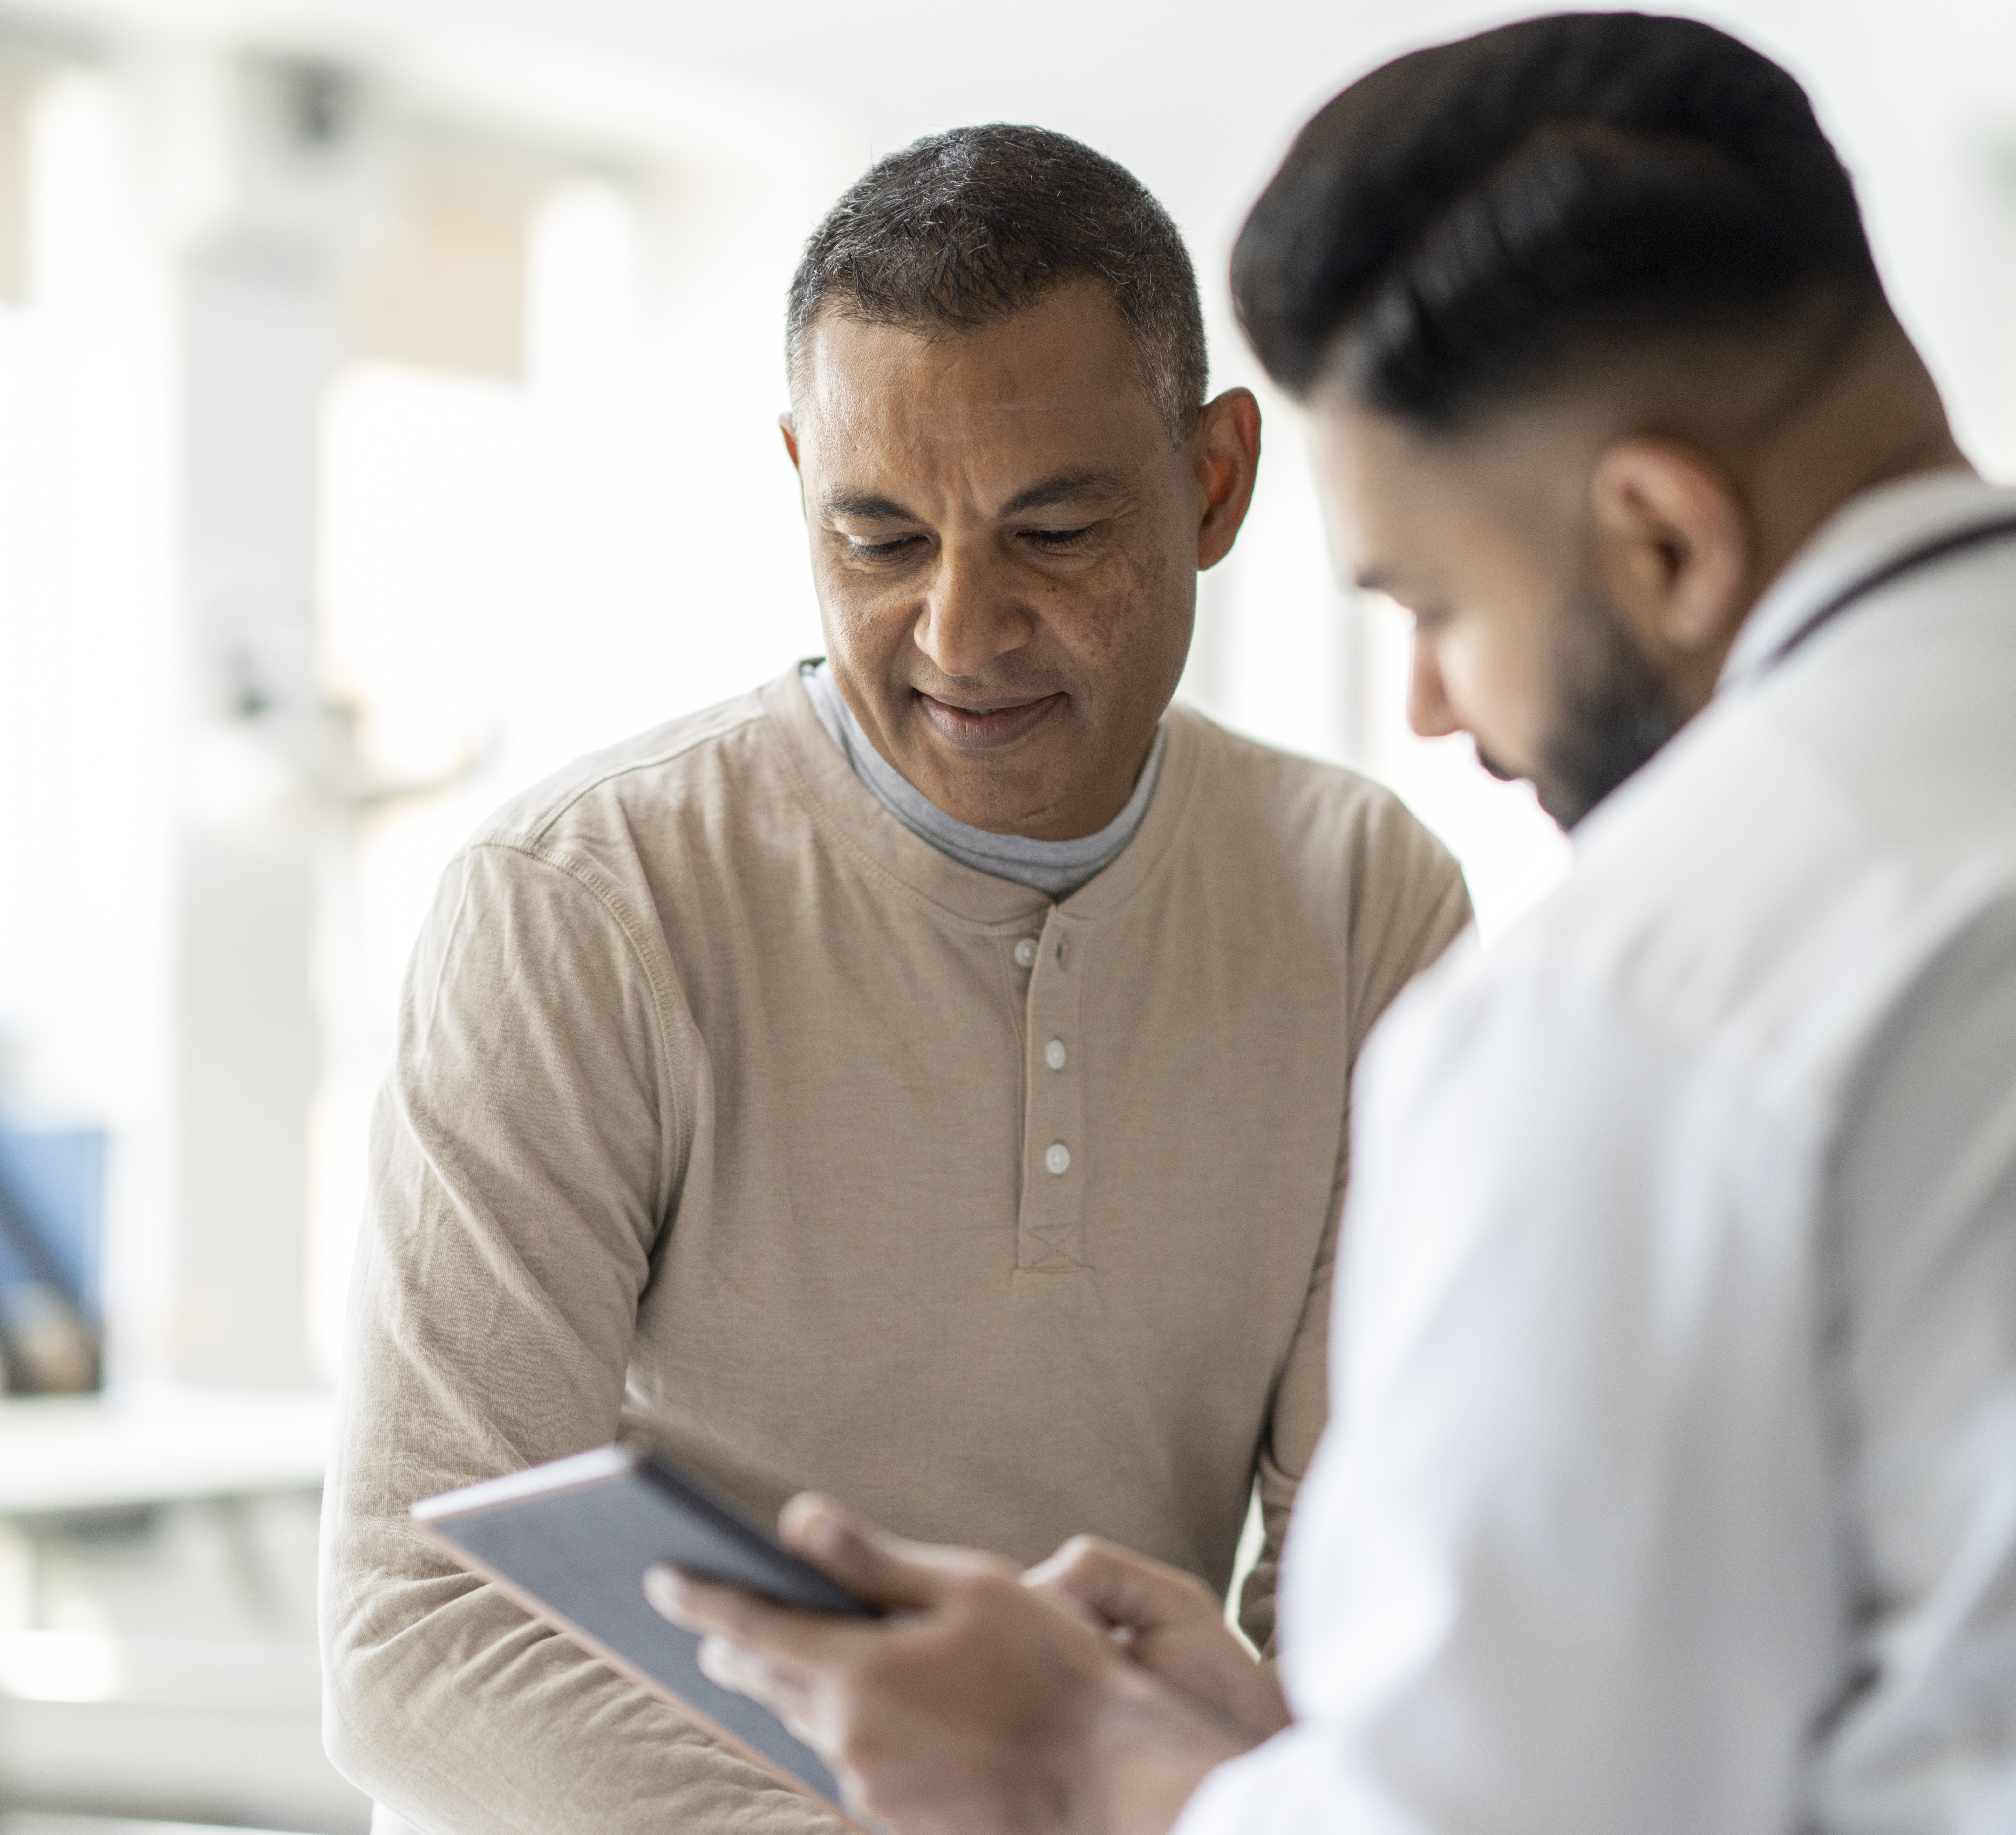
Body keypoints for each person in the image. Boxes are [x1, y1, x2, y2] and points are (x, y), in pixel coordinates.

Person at [646, 15, 2016, 1835]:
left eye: (1431, 600)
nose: (1430, 703)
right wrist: (1278, 1765)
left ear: (1662, 539)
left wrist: (1081, 1773)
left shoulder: (1644, 1005)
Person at [318, 124, 1471, 1835]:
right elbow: (420, 1639)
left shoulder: (1360, 899)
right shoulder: (582, 906)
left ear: (1214, 483)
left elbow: (1358, 1590)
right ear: (799, 482)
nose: (958, 632)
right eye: (875, 541)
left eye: (1054, 532)